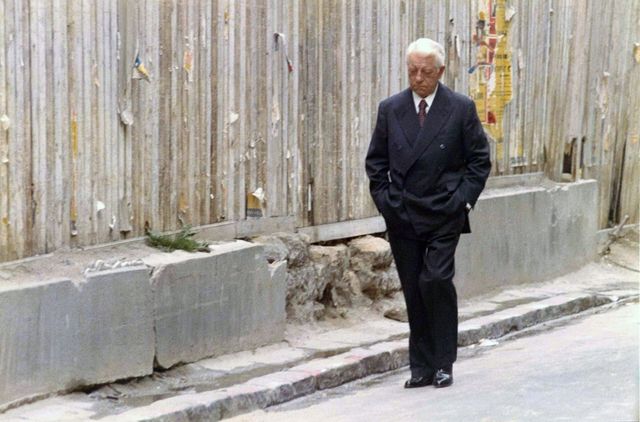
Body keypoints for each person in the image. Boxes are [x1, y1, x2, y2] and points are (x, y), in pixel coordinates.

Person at [365, 38, 491, 389]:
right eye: (412, 71)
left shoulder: (460, 108)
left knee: (434, 281)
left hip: (444, 212)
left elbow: (479, 161)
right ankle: (420, 367)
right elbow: (376, 163)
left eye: (425, 72)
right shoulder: (391, 109)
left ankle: (443, 362)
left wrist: (462, 202)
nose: (418, 78)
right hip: (403, 214)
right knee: (413, 289)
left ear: (440, 71)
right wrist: (388, 203)